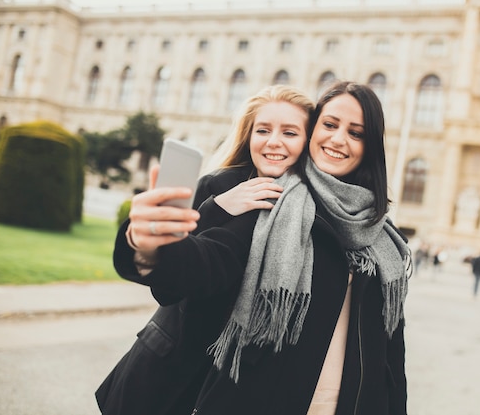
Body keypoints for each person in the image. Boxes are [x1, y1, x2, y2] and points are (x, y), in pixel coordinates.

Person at [101, 81, 411, 415]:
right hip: (198, 388)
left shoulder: (383, 239)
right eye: (331, 125)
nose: (338, 139)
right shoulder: (272, 202)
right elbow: (206, 262)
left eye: (356, 133)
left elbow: (389, 356)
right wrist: (148, 248)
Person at [95, 84, 315, 415]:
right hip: (168, 375)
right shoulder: (219, 185)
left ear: (308, 143)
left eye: (290, 132)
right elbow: (173, 285)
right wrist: (216, 208)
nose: (273, 141)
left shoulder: (310, 211)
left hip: (234, 387)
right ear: (248, 136)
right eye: (263, 130)